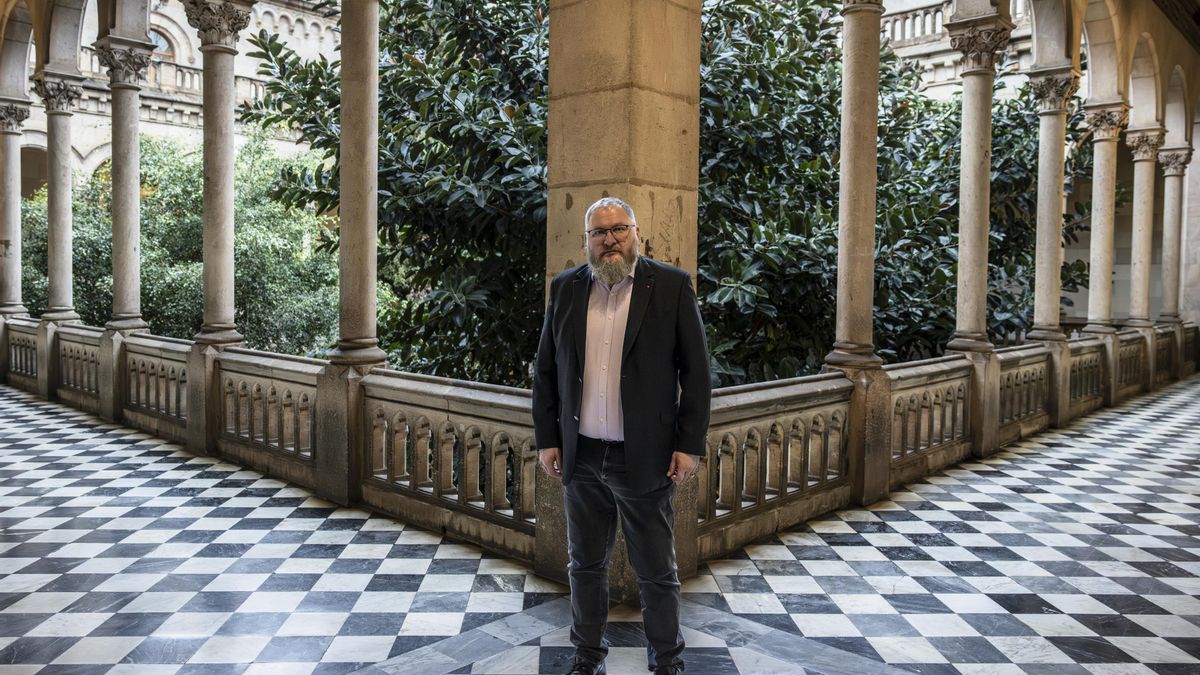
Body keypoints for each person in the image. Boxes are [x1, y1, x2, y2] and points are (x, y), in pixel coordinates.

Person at [532, 197, 712, 675]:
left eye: (618, 229)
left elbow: (696, 373)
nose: (609, 239)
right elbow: (546, 371)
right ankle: (587, 657)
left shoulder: (671, 286)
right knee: (585, 567)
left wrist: (688, 444)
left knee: (656, 571)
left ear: (637, 232)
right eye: (598, 232)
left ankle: (667, 661)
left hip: (646, 457)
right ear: (586, 240)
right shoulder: (566, 289)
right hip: (582, 455)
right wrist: (548, 438)